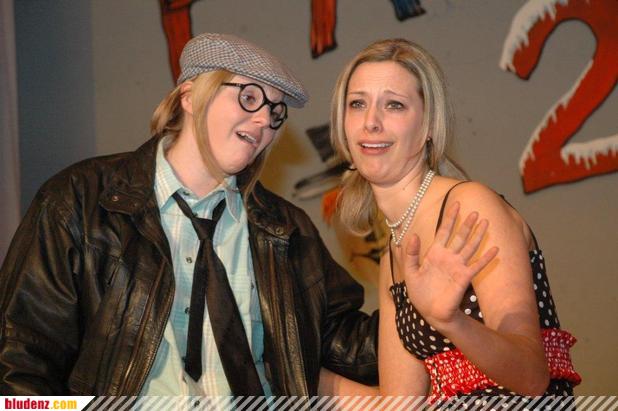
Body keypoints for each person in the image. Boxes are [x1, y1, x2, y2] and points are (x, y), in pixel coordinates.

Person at [0, 33, 378, 396]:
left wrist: (409, 279)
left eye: (275, 111)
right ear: (191, 96)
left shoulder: (286, 230)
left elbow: (350, 345)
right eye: (249, 97)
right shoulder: (79, 201)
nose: (265, 120)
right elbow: (21, 359)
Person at [325, 38, 581, 402]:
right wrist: (288, 371)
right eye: (357, 104)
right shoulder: (394, 255)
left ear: (429, 124)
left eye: (394, 105)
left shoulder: (470, 207)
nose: (371, 122)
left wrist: (451, 320)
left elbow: (531, 375)